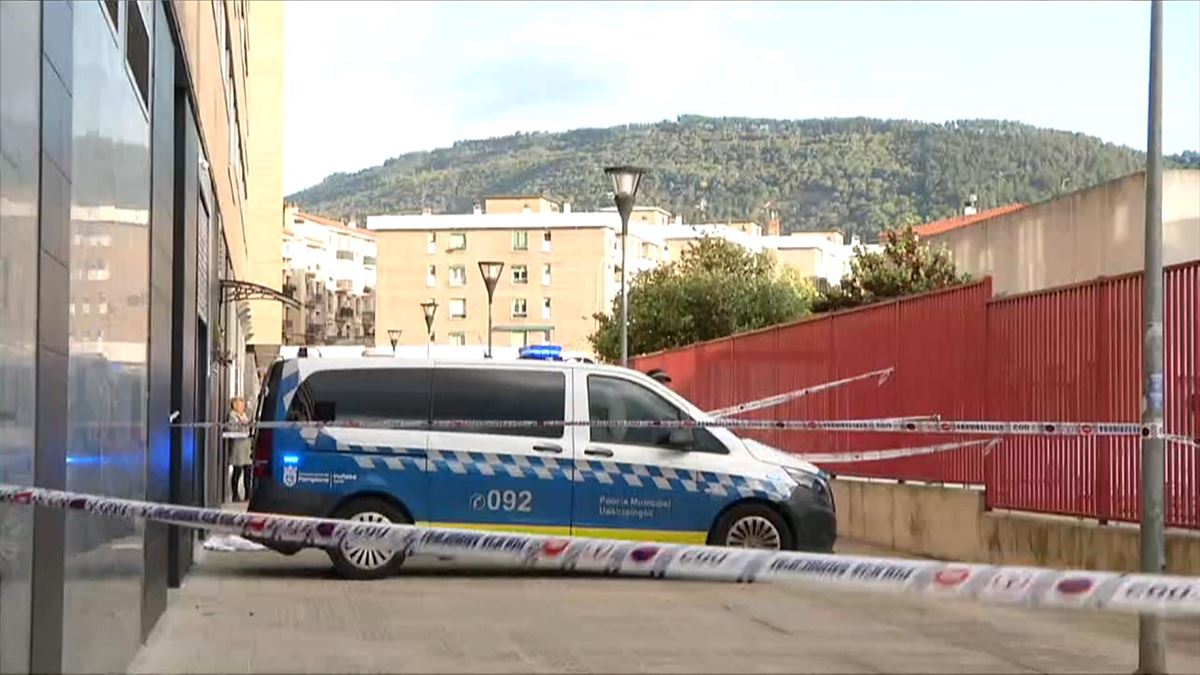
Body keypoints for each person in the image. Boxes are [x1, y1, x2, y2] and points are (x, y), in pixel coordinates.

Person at [227, 397, 253, 501]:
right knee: (237, 471)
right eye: (240, 404)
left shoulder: (244, 415)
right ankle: (235, 494)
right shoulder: (233, 416)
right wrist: (240, 425)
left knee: (247, 471)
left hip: (246, 446)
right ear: (235, 405)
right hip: (238, 447)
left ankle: (248, 494)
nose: (243, 407)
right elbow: (232, 428)